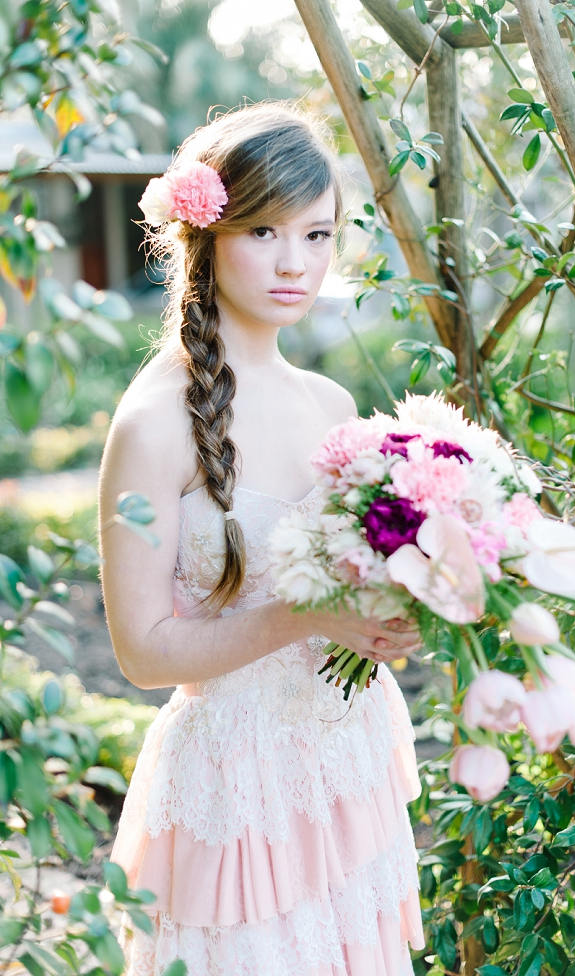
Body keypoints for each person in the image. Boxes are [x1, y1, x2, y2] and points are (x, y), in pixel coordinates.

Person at [99, 101, 425, 976]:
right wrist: (310, 617)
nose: (296, 263)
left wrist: (399, 613)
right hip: (234, 793)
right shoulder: (152, 424)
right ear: (207, 233)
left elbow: (355, 585)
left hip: (346, 763)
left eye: (318, 236)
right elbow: (142, 652)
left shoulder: (334, 408)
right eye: (267, 231)